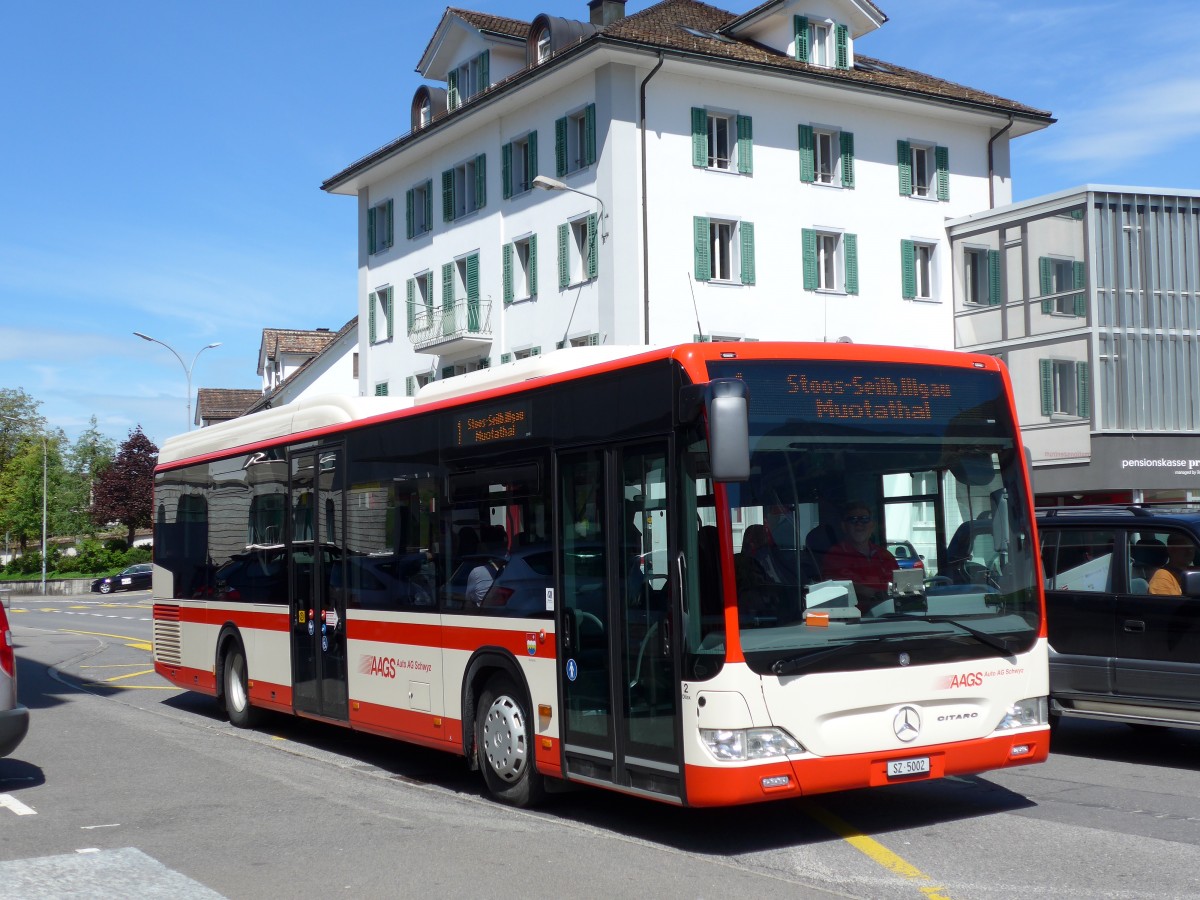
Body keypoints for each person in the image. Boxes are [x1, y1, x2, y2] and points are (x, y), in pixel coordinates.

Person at [821, 501, 898, 608]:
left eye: (864, 519)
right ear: (844, 526)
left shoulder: (885, 555)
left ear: (872, 526)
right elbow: (838, 587)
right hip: (853, 618)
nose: (859, 524)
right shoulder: (835, 555)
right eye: (853, 519)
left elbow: (899, 587)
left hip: (887, 614)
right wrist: (873, 592)